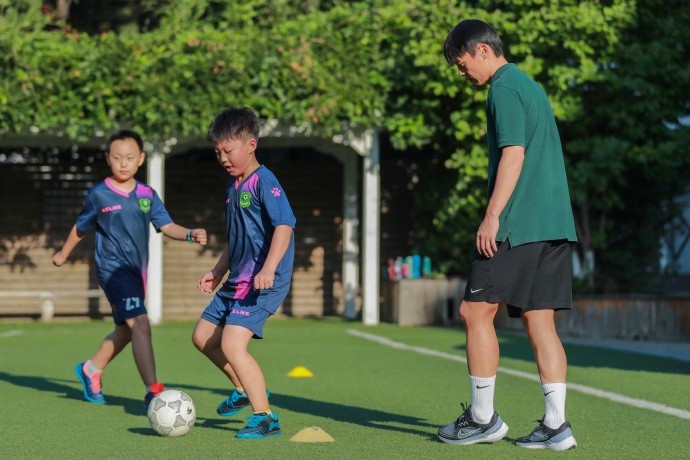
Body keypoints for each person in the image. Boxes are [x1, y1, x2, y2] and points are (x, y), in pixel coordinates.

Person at [437, 19, 579, 451]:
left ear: (482, 50)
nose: (463, 75)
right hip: (553, 225)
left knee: (474, 312)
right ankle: (556, 426)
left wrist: (492, 215)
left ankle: (483, 419)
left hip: (517, 224)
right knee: (541, 322)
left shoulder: (502, 88)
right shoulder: (531, 86)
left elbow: (513, 154)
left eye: (462, 65)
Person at [53, 129, 208, 407]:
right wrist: (63, 254)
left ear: (140, 160)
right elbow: (81, 227)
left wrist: (189, 233)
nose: (123, 163)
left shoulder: (147, 194)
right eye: (117, 157)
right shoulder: (98, 194)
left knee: (127, 329)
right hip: (112, 272)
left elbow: (166, 225)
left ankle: (91, 369)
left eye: (129, 157)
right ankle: (153, 389)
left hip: (138, 274)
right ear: (108, 159)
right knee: (141, 325)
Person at [191, 107, 296, 439]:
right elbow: (234, 239)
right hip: (236, 280)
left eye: (229, 150)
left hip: (263, 282)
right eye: (218, 152)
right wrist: (217, 271)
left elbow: (285, 226)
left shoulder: (265, 181)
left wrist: (268, 268)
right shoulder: (233, 187)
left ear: (251, 144)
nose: (223, 158)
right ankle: (242, 388)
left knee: (234, 345)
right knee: (203, 338)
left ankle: (265, 417)